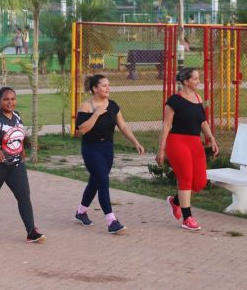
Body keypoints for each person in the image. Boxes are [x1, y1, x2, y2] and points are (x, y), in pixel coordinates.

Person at [0, 87, 45, 243]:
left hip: (15, 164)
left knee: (24, 196)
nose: (10, 102)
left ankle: (31, 231)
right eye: (6, 99)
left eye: (13, 99)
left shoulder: (16, 116)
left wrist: (22, 151)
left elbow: (18, 135)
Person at [74, 74, 145, 234]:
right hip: (91, 149)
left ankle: (81, 212)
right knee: (103, 181)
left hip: (107, 148)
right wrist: (97, 113)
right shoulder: (86, 106)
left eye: (108, 85)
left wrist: (135, 141)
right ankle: (111, 221)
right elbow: (81, 131)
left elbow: (123, 126)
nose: (108, 88)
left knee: (96, 181)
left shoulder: (113, 105)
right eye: (104, 85)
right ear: (94, 88)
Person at [156, 67, 219, 231]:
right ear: (185, 81)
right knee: (185, 178)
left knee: (199, 182)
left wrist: (211, 139)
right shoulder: (174, 101)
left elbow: (203, 122)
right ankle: (187, 218)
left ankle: (175, 201)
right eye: (195, 78)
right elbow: (166, 126)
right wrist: (161, 150)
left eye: (199, 78)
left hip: (195, 143)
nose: (199, 81)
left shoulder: (198, 98)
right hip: (177, 142)